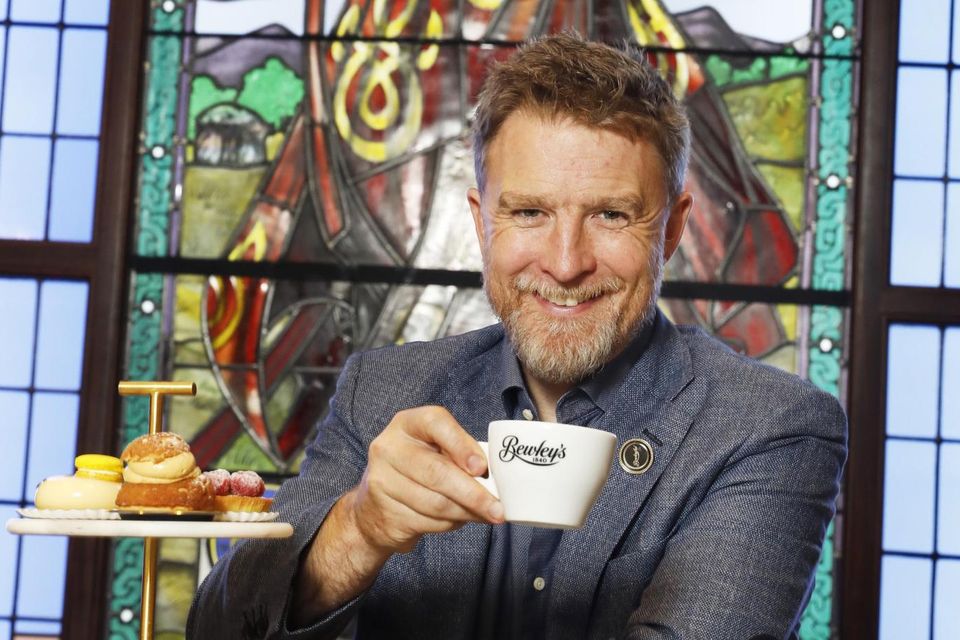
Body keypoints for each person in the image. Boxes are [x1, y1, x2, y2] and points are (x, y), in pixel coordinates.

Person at [188, 33, 847, 640]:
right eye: (529, 212)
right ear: (482, 222)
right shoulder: (379, 393)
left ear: (671, 231)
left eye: (611, 215)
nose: (564, 263)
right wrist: (358, 533)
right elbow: (219, 629)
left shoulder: (770, 428)